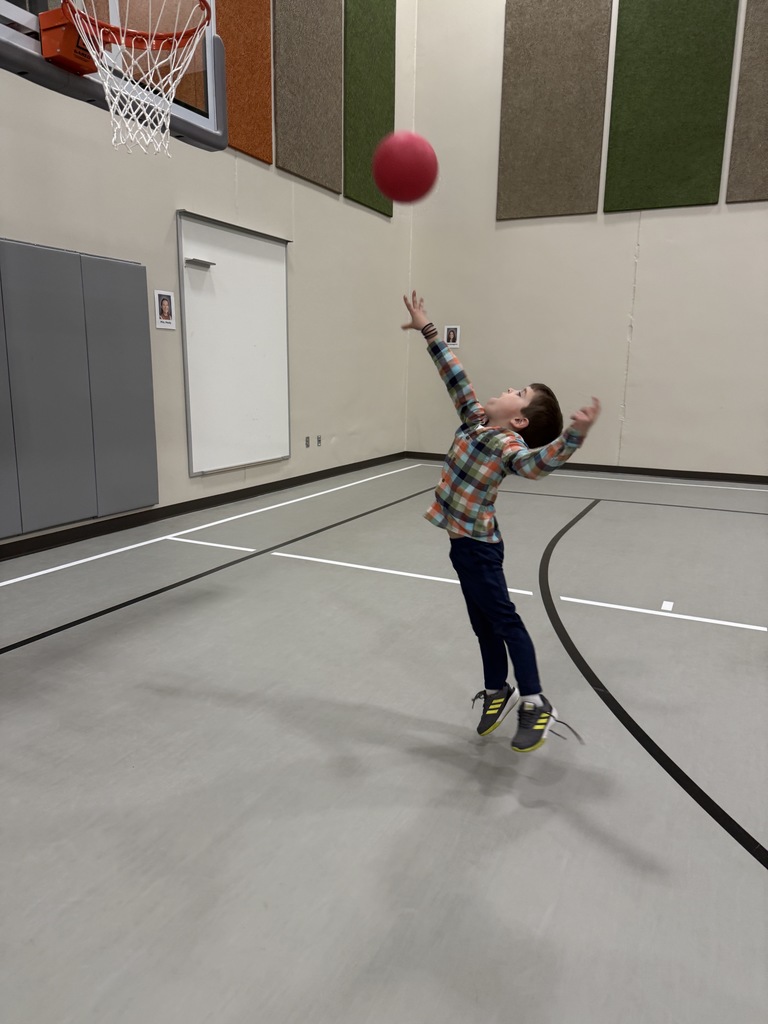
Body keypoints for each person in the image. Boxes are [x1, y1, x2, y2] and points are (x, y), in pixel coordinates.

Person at [401, 291, 601, 752]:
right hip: (461, 546)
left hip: (479, 548)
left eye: (519, 393)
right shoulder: (475, 420)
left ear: (520, 421)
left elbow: (537, 465)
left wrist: (573, 436)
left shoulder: (506, 447)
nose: (509, 388)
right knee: (482, 623)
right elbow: (455, 376)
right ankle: (498, 690)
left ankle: (534, 701)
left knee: (504, 620)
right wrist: (427, 328)